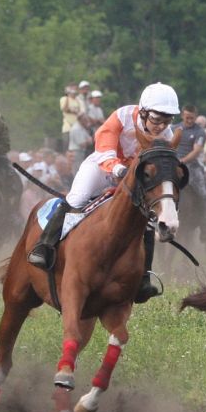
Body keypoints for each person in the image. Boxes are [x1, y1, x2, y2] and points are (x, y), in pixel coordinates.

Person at [28, 82, 180, 302]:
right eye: (157, 119)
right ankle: (44, 246)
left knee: (145, 216)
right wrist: (117, 168)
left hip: (131, 178)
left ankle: (144, 277)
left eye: (167, 120)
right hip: (101, 167)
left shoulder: (166, 135)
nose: (161, 126)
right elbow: (104, 146)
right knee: (77, 198)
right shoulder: (122, 116)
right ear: (144, 111)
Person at [172, 105, 206, 215]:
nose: (189, 120)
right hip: (172, 163)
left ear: (195, 117)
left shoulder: (200, 132)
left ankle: (204, 218)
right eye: (187, 117)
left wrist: (182, 161)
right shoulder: (173, 128)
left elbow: (196, 151)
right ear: (182, 115)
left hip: (191, 165)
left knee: (203, 193)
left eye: (192, 118)